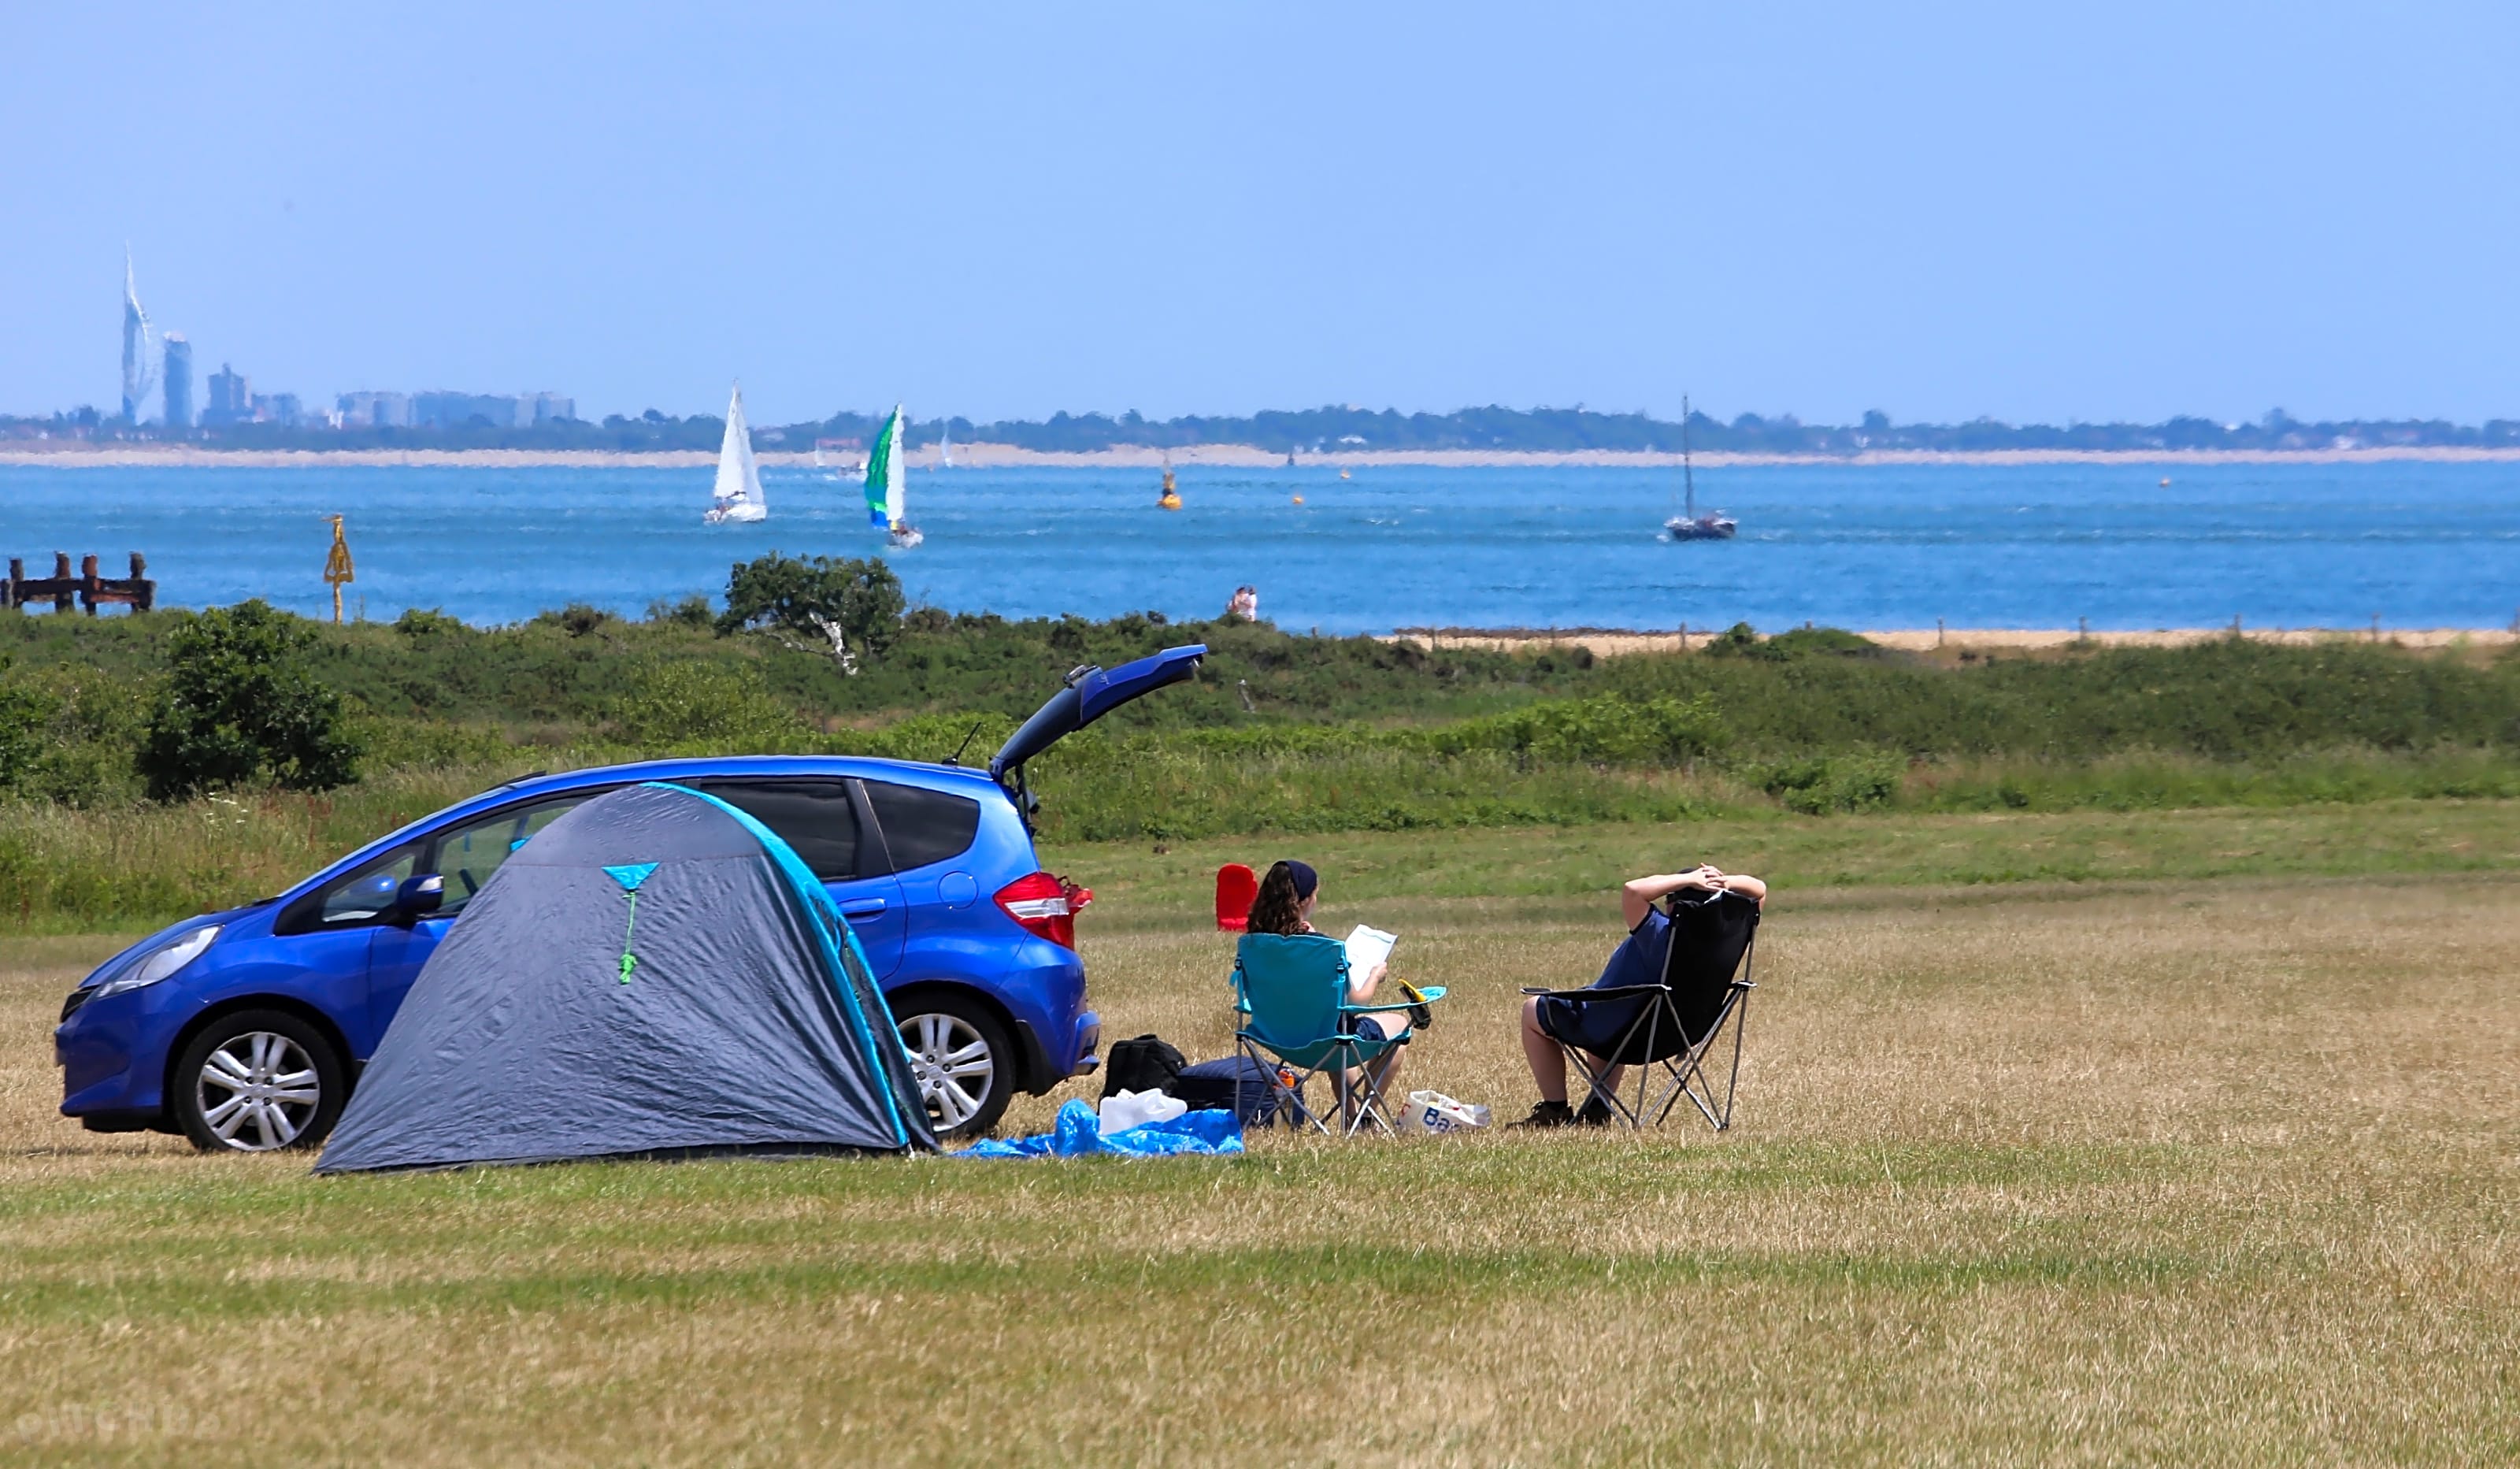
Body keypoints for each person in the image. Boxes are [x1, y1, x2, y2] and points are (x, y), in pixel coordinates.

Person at [1512, 865, 1767, 1128]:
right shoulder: (1730, 935)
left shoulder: (1660, 932)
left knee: (1534, 1009)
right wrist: (1724, 881)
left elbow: (1633, 889)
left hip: (1627, 1032)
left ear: (1673, 905)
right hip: (1681, 1035)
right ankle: (1599, 1107)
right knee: (1603, 1002)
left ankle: (1555, 1109)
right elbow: (1759, 889)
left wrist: (1687, 879)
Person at [1243, 859, 1409, 1096]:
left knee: (1334, 1025)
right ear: (1304, 900)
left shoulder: (1252, 944)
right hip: (1325, 1041)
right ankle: (1367, 1114)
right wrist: (1375, 976)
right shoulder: (1324, 948)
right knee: (1398, 1025)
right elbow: (1356, 1003)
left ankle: (1351, 1115)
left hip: (1276, 1037)